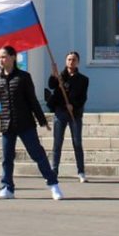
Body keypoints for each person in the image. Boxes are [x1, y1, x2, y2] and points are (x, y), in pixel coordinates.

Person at [0, 45, 63, 200]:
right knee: (7, 158)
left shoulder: (24, 77)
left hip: (25, 124)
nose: (1, 60)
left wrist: (42, 120)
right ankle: (7, 188)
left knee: (37, 154)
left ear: (13, 57)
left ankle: (53, 185)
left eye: (4, 56)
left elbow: (33, 101)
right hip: (7, 124)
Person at [45, 51, 89, 182]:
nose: (71, 62)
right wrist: (53, 74)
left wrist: (73, 106)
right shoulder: (60, 76)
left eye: (74, 59)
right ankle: (54, 170)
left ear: (78, 62)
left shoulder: (83, 79)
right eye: (69, 59)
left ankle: (81, 172)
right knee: (57, 143)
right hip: (60, 113)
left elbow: (83, 97)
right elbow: (51, 86)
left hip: (74, 114)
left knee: (77, 143)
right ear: (66, 61)